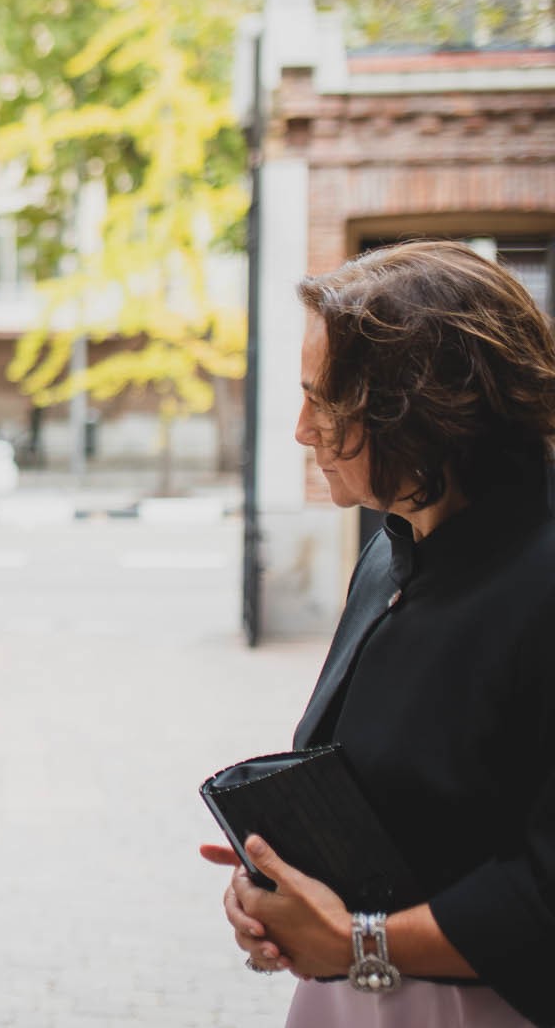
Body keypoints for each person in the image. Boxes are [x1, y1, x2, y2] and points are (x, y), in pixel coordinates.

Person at [202, 240, 555, 1026]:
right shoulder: (395, 549)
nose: (301, 429)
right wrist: (281, 883)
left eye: (324, 400)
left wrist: (360, 940)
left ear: (422, 408)